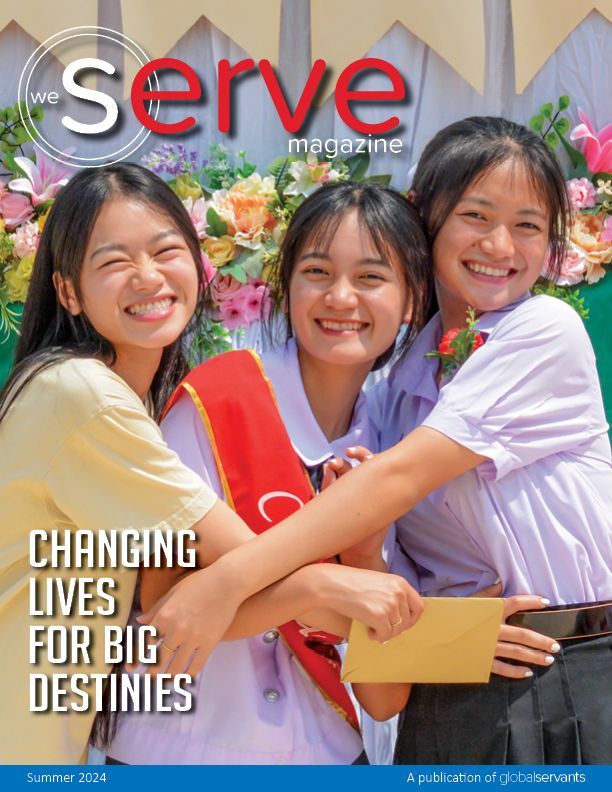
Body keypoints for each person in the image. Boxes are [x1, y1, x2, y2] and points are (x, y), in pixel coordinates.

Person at [108, 182, 561, 765]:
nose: (341, 298)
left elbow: (382, 698)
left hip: (329, 756)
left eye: (371, 278)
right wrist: (325, 588)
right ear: (286, 288)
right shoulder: (216, 402)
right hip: (176, 754)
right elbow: (167, 612)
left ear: (410, 300)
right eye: (318, 272)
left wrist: (368, 563)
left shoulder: (397, 446)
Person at [0, 165, 421, 765]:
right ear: (69, 291)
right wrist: (332, 585)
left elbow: (373, 668)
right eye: (115, 261)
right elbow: (210, 584)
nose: (147, 276)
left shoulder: (396, 431)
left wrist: (447, 624)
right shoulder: (88, 396)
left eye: (166, 250)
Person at [364, 116, 611, 764]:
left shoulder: (544, 330)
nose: (501, 245)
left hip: (586, 674)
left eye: (528, 225)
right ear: (428, 219)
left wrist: (228, 585)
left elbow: (395, 480)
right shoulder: (389, 390)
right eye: (476, 215)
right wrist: (452, 635)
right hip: (451, 686)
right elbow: (389, 588)